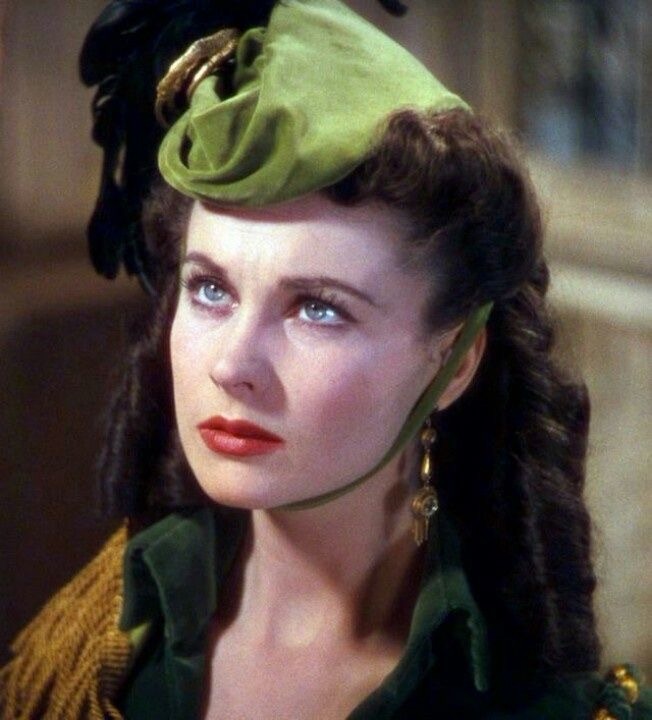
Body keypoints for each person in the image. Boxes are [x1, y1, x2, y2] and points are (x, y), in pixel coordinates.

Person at [1, 0, 650, 718]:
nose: (231, 366)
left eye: (318, 308)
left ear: (454, 364)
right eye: (211, 289)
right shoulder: (107, 629)